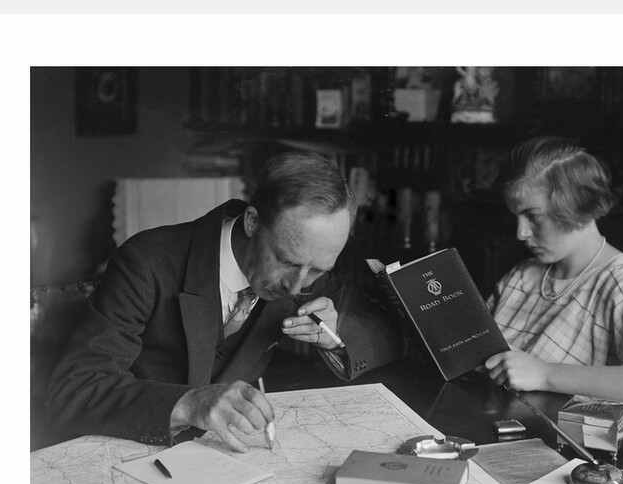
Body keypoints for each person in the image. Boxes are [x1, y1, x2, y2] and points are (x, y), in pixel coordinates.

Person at [46, 151, 402, 451]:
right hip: (136, 450)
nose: (296, 287)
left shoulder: (308, 267)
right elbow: (74, 390)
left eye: (314, 271)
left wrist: (336, 332)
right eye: (287, 261)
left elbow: (387, 330)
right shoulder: (146, 262)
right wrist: (189, 402)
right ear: (251, 223)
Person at [483, 136, 623, 411]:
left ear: (575, 204)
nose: (520, 233)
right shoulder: (521, 276)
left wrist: (545, 374)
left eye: (533, 216)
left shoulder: (622, 283)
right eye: (516, 217)